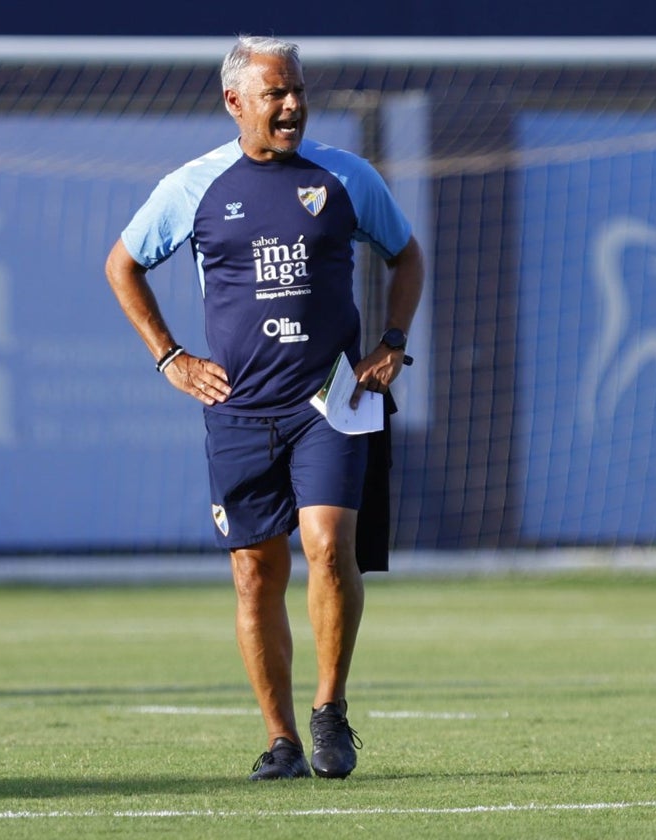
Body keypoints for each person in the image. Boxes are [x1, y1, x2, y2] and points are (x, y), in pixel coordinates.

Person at [104, 35, 425, 779]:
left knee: (326, 547)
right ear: (235, 102)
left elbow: (406, 255)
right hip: (240, 410)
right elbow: (122, 265)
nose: (292, 105)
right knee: (254, 572)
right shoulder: (194, 185)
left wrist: (393, 342)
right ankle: (280, 741)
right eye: (276, 93)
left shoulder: (346, 177)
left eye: (298, 90)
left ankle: (330, 712)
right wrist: (171, 356)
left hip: (332, 400)